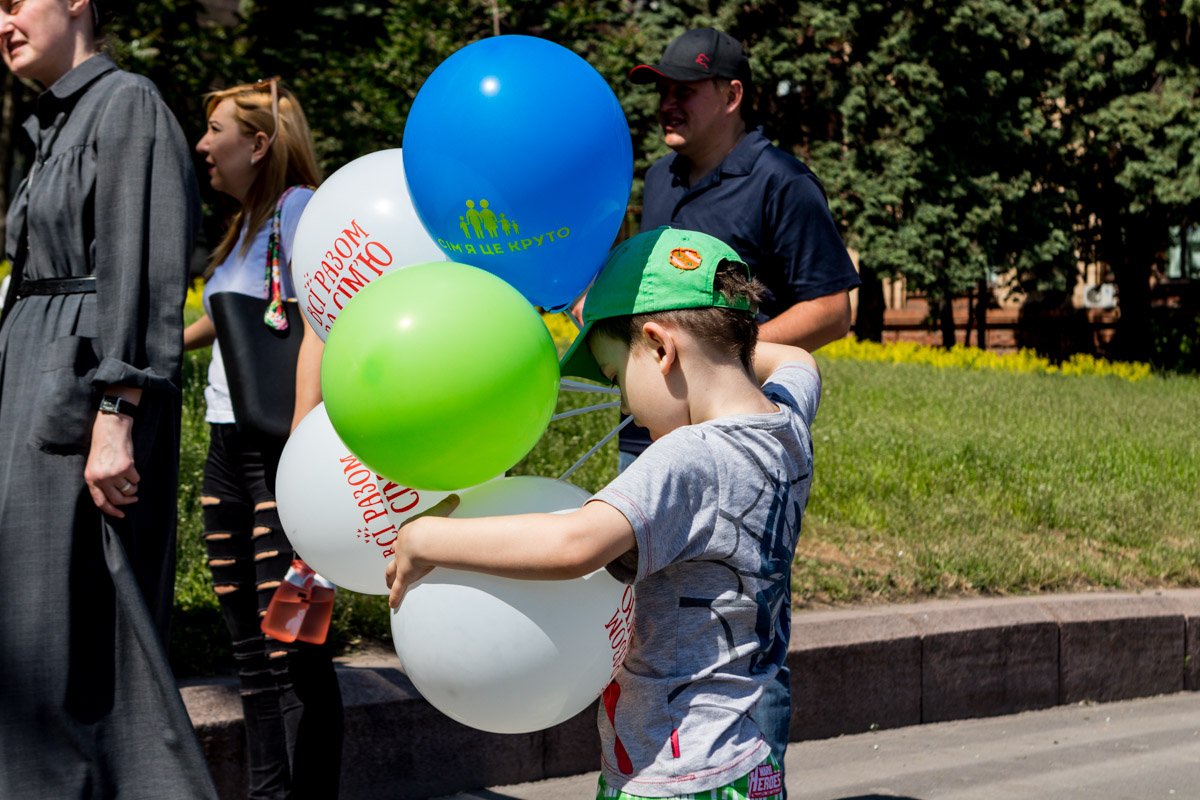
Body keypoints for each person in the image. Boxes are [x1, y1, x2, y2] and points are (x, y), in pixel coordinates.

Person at [387, 227, 819, 800]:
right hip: (747, 761)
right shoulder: (787, 422)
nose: (631, 413)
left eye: (618, 379)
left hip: (674, 776)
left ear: (661, 348)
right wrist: (713, 332)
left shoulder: (688, 457)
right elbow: (797, 359)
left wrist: (427, 539)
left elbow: (574, 544)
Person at [620, 28, 864, 774]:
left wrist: (722, 365)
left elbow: (834, 306)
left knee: (731, 634)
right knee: (648, 636)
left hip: (731, 455)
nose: (666, 101)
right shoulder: (662, 180)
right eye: (659, 87)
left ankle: (747, 776)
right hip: (648, 439)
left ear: (731, 96)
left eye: (682, 89)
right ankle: (662, 773)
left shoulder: (779, 181)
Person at [0, 0, 218, 796]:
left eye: (16, 2)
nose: (3, 23)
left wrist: (117, 418)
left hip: (79, 405)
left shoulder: (129, 106)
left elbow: (146, 268)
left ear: (78, 3)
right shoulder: (53, 126)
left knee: (77, 647)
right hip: (32, 395)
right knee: (30, 650)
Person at [184, 78, 343, 800]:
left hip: (279, 453)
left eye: (215, 131)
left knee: (294, 653)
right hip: (227, 445)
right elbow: (239, 323)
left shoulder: (298, 210)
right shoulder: (246, 223)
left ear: (258, 143)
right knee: (249, 650)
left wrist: (306, 450)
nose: (202, 146)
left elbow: (318, 323)